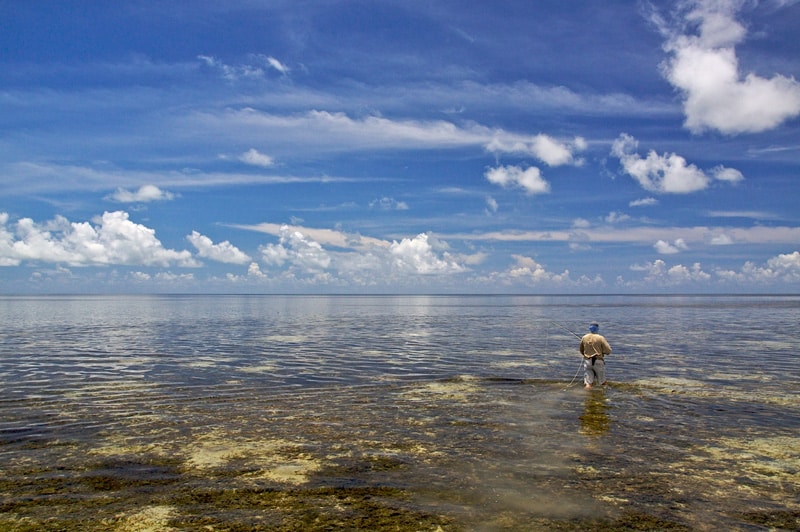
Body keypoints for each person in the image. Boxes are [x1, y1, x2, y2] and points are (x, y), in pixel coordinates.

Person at [579, 322, 612, 389]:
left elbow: (581, 350)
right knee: (603, 382)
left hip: (587, 361)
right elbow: (608, 351)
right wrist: (602, 352)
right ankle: (604, 397)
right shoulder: (600, 338)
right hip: (598, 361)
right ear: (597, 328)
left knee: (588, 383)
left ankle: (587, 397)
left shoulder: (584, 337)